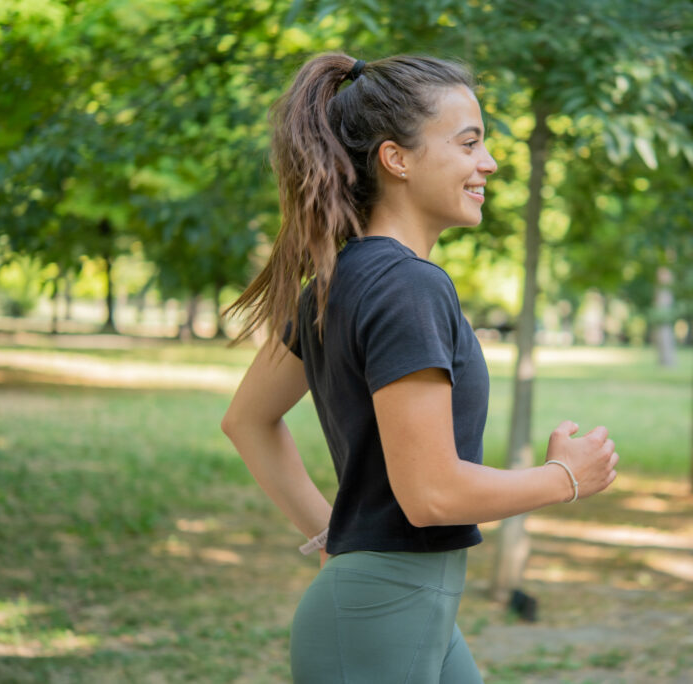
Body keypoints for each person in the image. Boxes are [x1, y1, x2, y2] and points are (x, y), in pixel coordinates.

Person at [220, 52, 619, 683]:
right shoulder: (409, 286)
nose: (488, 163)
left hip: (397, 610)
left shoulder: (337, 277)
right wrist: (562, 477)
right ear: (396, 158)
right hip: (381, 615)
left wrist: (334, 535)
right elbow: (431, 494)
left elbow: (246, 421)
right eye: (468, 143)